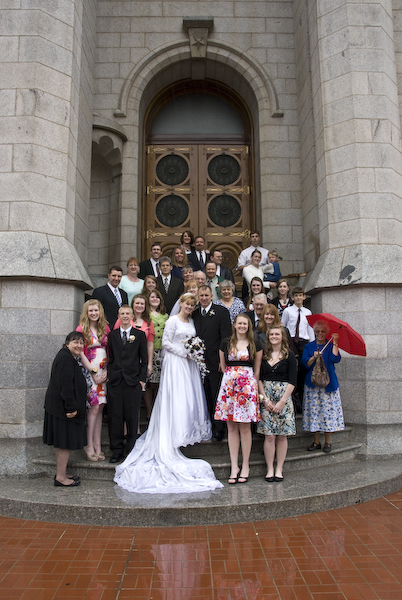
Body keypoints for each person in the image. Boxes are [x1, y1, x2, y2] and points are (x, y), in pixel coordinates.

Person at [114, 293, 224, 494]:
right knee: (177, 396)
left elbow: (193, 340)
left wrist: (194, 352)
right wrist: (184, 353)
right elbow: (165, 342)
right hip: (175, 362)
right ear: (180, 303)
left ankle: (187, 428)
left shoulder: (192, 321)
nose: (189, 307)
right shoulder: (172, 321)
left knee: (189, 397)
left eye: (192, 305)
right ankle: (175, 431)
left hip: (189, 364)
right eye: (187, 304)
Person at [215, 314, 262, 484]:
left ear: (248, 326)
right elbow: (223, 367)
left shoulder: (255, 343)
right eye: (239, 323)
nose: (242, 326)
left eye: (245, 323)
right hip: (229, 387)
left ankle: (246, 465)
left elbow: (257, 370)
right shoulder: (225, 343)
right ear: (234, 325)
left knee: (245, 428)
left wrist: (254, 391)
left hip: (247, 387)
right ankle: (234, 466)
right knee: (232, 428)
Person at [43, 331, 87, 487]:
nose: (79, 345)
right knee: (64, 443)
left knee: (61, 442)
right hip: (63, 410)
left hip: (60, 408)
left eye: (81, 343)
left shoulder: (68, 356)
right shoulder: (65, 359)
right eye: (75, 342)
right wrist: (71, 407)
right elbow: (65, 385)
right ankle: (61, 477)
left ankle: (61, 472)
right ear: (67, 343)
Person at [107, 305, 148, 463]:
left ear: (132, 316)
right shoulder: (112, 335)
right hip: (116, 381)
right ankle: (116, 449)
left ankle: (131, 449)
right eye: (122, 313)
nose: (124, 316)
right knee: (115, 416)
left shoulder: (139, 335)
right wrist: (110, 375)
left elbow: (144, 359)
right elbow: (111, 358)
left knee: (132, 417)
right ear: (118, 316)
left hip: (133, 381)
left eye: (127, 313)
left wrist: (141, 379)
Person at [257, 326, 297, 482]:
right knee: (269, 436)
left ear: (282, 337)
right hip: (266, 399)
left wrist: (282, 402)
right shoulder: (264, 355)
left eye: (277, 334)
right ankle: (270, 469)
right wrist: (264, 399)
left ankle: (279, 468)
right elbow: (259, 379)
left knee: (282, 436)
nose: (274, 336)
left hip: (283, 400)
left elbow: (293, 381)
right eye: (271, 334)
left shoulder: (289, 355)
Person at [192, 285, 232, 442]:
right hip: (198, 362)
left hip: (216, 362)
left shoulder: (221, 312)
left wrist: (223, 360)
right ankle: (206, 425)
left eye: (206, 295)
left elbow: (226, 338)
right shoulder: (195, 313)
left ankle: (219, 429)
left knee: (216, 395)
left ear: (211, 296)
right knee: (204, 395)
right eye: (201, 295)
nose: (203, 298)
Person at [301, 321, 344, 454]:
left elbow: (335, 359)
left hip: (327, 385)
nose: (320, 334)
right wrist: (313, 358)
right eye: (317, 331)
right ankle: (316, 441)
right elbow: (305, 364)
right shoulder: (309, 346)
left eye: (323, 331)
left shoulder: (330, 345)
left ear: (327, 333)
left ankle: (328, 442)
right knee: (314, 413)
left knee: (327, 413)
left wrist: (335, 343)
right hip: (313, 385)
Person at [76, 299, 110, 462]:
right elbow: (80, 353)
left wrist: (106, 371)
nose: (94, 313)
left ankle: (98, 445)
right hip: (89, 373)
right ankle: (88, 445)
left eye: (96, 310)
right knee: (93, 408)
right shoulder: (81, 329)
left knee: (100, 408)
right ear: (86, 312)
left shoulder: (105, 328)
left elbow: (110, 351)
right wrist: (93, 371)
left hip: (103, 373)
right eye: (91, 311)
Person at [282, 286, 314, 409]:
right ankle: (294, 400)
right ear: (292, 297)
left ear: (304, 297)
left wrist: (312, 344)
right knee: (294, 368)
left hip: (304, 342)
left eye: (300, 295)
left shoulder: (308, 312)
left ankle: (302, 399)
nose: (298, 298)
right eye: (296, 295)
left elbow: (310, 329)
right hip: (292, 342)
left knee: (303, 368)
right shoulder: (288, 311)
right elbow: (284, 327)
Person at [145, 290, 169, 418]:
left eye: (157, 297)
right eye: (152, 297)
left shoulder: (165, 315)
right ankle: (149, 410)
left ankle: (158, 409)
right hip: (150, 351)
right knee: (149, 382)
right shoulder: (145, 315)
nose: (155, 299)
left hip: (162, 351)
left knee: (160, 382)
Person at [237, 230, 270, 300]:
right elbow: (240, 266)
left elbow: (270, 265)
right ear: (250, 239)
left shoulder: (266, 252)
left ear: (259, 238)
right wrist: (252, 267)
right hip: (248, 280)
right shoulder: (245, 252)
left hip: (263, 278)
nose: (254, 238)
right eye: (253, 237)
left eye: (256, 236)